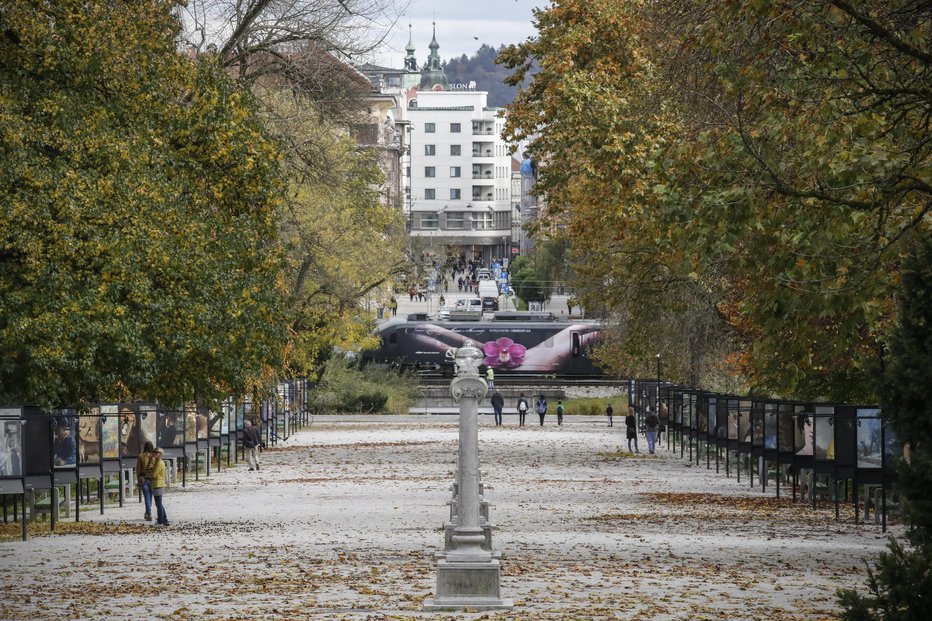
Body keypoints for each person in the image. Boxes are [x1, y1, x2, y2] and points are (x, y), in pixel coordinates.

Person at [136, 441, 158, 521]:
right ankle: (147, 512)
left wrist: (138, 478)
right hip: (152, 479)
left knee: (146, 497)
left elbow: (138, 469)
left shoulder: (140, 456)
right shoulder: (154, 457)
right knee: (150, 496)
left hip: (143, 478)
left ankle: (148, 513)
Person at [151, 448, 169, 526]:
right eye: (153, 452)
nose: (154, 454)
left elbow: (154, 474)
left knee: (158, 504)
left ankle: (160, 521)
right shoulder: (157, 462)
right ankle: (164, 520)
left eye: (156, 452)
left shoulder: (159, 463)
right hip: (157, 484)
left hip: (158, 484)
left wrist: (149, 475)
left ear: (160, 454)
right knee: (159, 504)